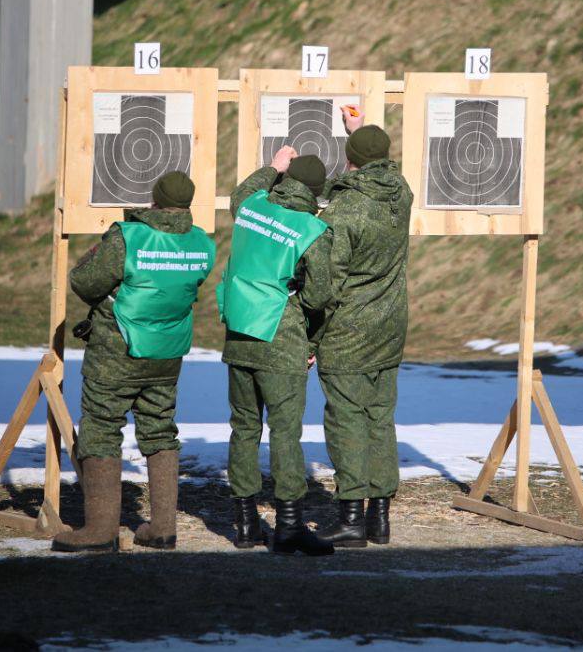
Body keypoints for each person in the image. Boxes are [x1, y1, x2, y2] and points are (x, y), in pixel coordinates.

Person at [51, 171, 216, 553]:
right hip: (168, 351)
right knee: (160, 430)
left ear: (154, 200)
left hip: (118, 350)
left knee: (102, 428)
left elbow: (85, 282)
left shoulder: (127, 237)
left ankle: (100, 531)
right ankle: (162, 528)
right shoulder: (202, 244)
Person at [217, 148, 335, 557]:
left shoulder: (251, 207)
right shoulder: (311, 229)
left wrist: (272, 166)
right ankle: (287, 527)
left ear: (285, 182)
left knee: (244, 429)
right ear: (317, 194)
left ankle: (246, 524)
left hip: (238, 333)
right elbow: (320, 295)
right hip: (281, 339)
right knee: (285, 434)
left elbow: (239, 194)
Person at [314, 112, 412, 548]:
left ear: (349, 161)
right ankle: (380, 518)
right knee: (379, 417)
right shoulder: (401, 194)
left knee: (347, 420)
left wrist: (311, 335)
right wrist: (362, 135)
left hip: (348, 330)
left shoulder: (345, 208)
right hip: (390, 327)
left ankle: (352, 516)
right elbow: (379, 166)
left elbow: (326, 285)